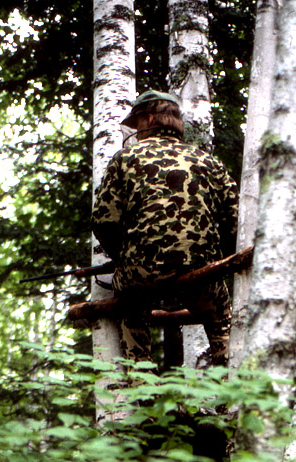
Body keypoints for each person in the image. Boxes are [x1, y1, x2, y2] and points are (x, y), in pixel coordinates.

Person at [92, 90, 239, 366]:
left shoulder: (125, 159)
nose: (135, 132)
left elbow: (104, 221)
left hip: (141, 274)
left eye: (137, 125)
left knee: (131, 308)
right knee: (221, 317)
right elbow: (234, 222)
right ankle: (230, 389)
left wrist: (124, 260)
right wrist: (217, 261)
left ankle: (140, 387)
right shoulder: (209, 161)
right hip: (201, 272)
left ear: (148, 118)